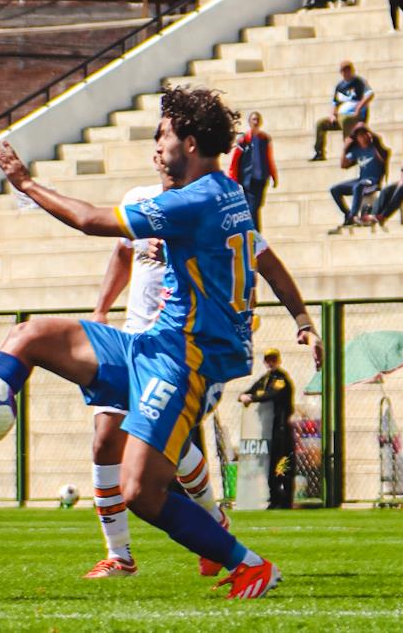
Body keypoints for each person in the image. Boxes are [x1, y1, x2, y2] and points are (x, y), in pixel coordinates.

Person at [0, 87, 323, 600]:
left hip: (185, 364)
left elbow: (91, 221)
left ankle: (248, 564)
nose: (157, 145)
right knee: (32, 335)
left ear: (190, 141)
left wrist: (25, 182)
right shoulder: (223, 195)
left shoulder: (197, 199)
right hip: (151, 346)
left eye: (164, 135)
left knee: (141, 490)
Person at [77, 163, 311, 580]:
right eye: (156, 144)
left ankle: (213, 525)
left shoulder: (211, 207)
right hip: (135, 340)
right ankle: (120, 554)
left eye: (165, 141)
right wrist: (100, 310)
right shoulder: (139, 201)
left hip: (179, 352)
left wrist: (302, 320)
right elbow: (119, 251)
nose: (159, 154)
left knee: (176, 452)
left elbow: (263, 260)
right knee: (104, 441)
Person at [238, 349, 296, 510]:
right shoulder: (265, 379)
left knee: (282, 464)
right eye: (268, 360)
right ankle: (274, 498)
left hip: (281, 428)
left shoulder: (281, 379)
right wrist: (245, 396)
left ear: (278, 361)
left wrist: (253, 398)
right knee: (270, 465)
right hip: (269, 429)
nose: (270, 363)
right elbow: (250, 390)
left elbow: (273, 395)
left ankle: (285, 500)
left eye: (273, 360)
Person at [327, 123, 387, 234]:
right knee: (334, 189)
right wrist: (345, 148)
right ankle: (348, 214)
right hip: (362, 180)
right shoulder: (356, 150)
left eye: (364, 134)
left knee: (358, 186)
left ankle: (353, 216)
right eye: (359, 136)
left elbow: (383, 157)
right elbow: (343, 165)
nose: (362, 138)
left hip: (373, 181)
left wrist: (373, 138)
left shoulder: (375, 148)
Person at [312, 61, 375, 162]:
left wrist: (359, 107)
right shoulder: (339, 86)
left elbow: (370, 94)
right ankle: (319, 152)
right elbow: (334, 103)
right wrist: (332, 114)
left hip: (354, 116)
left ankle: (350, 152)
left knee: (346, 121)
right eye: (343, 71)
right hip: (340, 116)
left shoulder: (359, 82)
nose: (346, 73)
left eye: (348, 70)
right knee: (321, 124)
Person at [227, 112, 278, 230]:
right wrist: (233, 179)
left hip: (261, 178)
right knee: (252, 207)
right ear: (249, 122)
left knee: (257, 205)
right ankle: (255, 231)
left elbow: (269, 158)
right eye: (253, 119)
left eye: (257, 119)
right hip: (248, 179)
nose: (255, 122)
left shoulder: (265, 139)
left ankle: (252, 230)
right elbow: (235, 161)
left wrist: (273, 175)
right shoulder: (243, 140)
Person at [369, 119, 403, 228]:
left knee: (402, 190)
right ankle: (373, 216)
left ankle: (384, 215)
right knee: (386, 190)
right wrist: (401, 179)